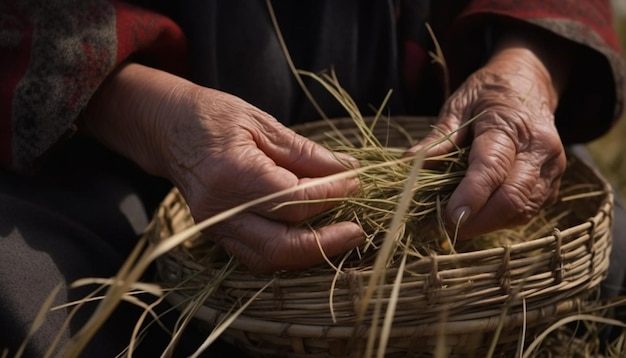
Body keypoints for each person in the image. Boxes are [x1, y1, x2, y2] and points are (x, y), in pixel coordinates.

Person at [1, 0, 624, 356]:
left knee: (615, 253)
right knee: (26, 296)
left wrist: (526, 69)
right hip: (127, 157)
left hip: (442, 121)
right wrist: (148, 116)